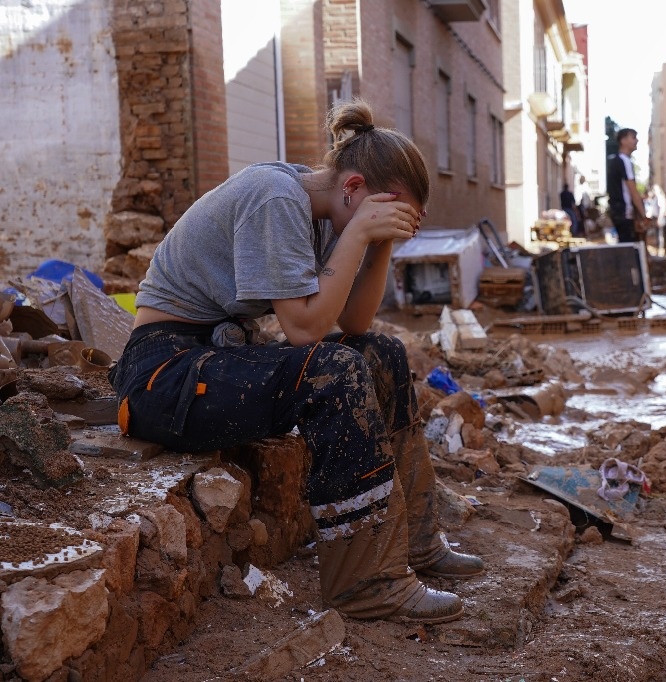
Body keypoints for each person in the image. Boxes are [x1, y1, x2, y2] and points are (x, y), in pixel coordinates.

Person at [108, 99, 483, 625]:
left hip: (218, 355)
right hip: (162, 375)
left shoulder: (328, 210)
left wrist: (379, 246)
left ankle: (417, 544)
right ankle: (365, 584)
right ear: (353, 188)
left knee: (382, 353)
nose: (384, 223)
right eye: (384, 210)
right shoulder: (275, 198)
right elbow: (305, 331)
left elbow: (353, 325)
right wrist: (358, 233)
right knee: (334, 372)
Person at [606, 127, 649, 243]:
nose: (636, 141)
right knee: (629, 248)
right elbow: (632, 190)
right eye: (633, 138)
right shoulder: (624, 161)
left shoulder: (616, 160)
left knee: (625, 246)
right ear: (623, 140)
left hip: (617, 211)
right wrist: (643, 214)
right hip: (624, 212)